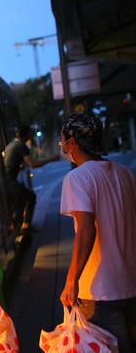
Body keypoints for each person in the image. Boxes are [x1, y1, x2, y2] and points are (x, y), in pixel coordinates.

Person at [59, 113, 136, 353]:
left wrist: (71, 281)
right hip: (131, 282)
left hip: (100, 291)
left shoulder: (77, 178)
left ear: (72, 142)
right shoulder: (125, 173)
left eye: (62, 140)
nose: (62, 146)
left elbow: (85, 231)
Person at [3, 125, 58, 232]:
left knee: (21, 202)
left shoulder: (11, 144)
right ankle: (25, 227)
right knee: (31, 197)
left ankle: (19, 227)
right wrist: (51, 159)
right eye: (30, 134)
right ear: (27, 135)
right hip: (11, 181)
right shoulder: (21, 146)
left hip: (7, 181)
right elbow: (33, 164)